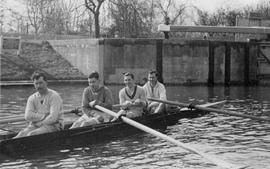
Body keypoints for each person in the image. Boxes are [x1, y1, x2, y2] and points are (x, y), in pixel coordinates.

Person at [14, 72, 63, 138]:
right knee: (21, 134)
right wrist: (43, 116)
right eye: (36, 83)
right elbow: (28, 116)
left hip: (55, 126)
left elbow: (53, 118)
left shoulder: (54, 96)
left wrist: (39, 122)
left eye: (41, 83)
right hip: (36, 124)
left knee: (32, 134)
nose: (39, 86)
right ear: (34, 84)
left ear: (46, 82)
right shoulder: (32, 98)